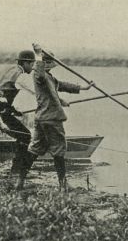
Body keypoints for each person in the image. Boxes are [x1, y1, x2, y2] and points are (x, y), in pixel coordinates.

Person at [18, 44, 94, 191]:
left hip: (42, 118)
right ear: (45, 63)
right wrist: (38, 55)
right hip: (51, 119)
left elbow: (61, 85)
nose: (51, 66)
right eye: (48, 63)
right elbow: (39, 75)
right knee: (58, 150)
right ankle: (63, 185)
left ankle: (20, 181)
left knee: (34, 149)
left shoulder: (49, 77)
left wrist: (84, 87)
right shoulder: (39, 75)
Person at [0, 50, 36, 176]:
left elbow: (2, 89)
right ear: (26, 63)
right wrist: (54, 100)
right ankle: (16, 170)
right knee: (25, 135)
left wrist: (12, 110)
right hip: (0, 110)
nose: (32, 68)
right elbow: (36, 91)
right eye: (32, 64)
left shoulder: (7, 69)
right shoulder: (21, 76)